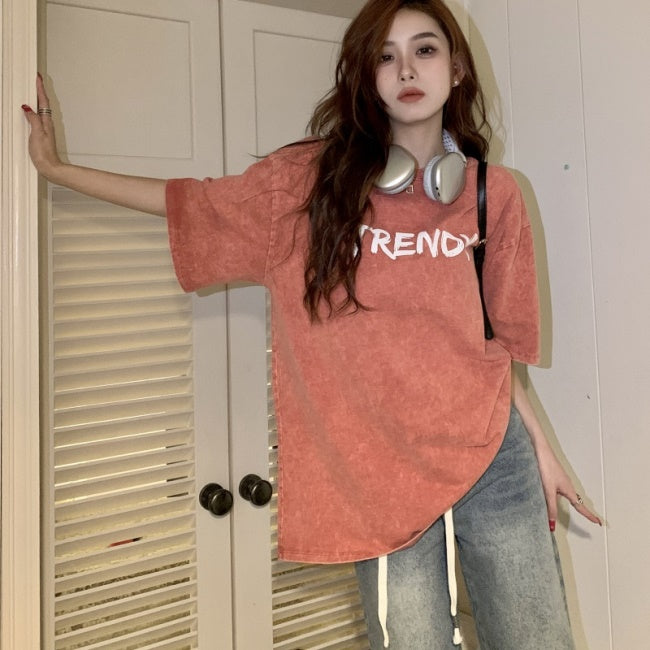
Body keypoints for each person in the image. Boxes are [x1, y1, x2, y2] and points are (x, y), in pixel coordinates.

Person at [24, 1, 602, 648]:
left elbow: (493, 347)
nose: (407, 69)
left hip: (494, 460)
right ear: (366, 76)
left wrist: (540, 448)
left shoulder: (496, 195)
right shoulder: (307, 188)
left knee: (537, 640)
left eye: (425, 49)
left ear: (457, 68)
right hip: (376, 474)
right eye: (385, 56)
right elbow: (191, 201)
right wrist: (57, 170)